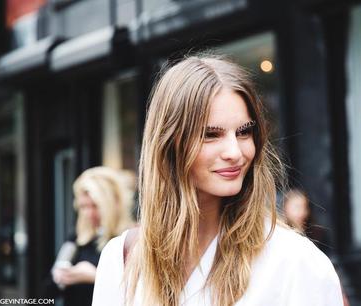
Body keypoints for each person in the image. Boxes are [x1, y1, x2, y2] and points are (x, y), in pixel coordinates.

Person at [92, 55, 344, 306]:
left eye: (244, 132)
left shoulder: (295, 261)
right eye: (211, 135)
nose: (234, 152)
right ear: (170, 144)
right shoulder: (121, 258)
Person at [44, 166, 136, 306]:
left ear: (114, 203)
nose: (89, 214)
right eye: (83, 207)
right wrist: (60, 276)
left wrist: (96, 276)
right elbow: (49, 289)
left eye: (95, 206)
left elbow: (139, 292)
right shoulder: (78, 238)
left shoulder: (131, 239)